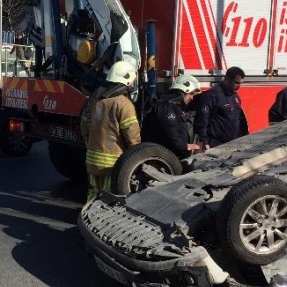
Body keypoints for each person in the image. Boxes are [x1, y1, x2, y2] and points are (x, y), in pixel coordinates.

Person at [80, 61, 141, 202]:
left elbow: (83, 125)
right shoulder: (123, 104)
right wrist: (136, 157)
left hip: (91, 159)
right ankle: (100, 223)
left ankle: (88, 216)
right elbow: (132, 135)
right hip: (112, 163)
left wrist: (89, 145)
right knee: (108, 197)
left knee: (93, 192)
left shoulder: (94, 100)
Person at [143, 74, 202, 159]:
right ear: (183, 91)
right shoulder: (166, 107)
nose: (192, 98)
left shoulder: (175, 106)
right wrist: (184, 146)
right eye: (191, 94)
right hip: (162, 157)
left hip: (170, 154)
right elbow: (171, 131)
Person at [192, 66, 248, 149]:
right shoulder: (212, 95)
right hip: (216, 144)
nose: (239, 86)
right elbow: (202, 121)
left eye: (241, 83)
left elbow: (239, 119)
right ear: (227, 79)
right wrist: (204, 141)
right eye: (236, 83)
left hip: (233, 143)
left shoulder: (234, 95)